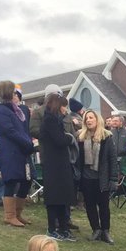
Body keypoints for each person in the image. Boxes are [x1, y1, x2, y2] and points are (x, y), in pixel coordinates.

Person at [0, 80, 36, 228]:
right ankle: (10, 215)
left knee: (27, 179)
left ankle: (18, 213)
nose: (16, 94)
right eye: (13, 91)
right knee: (11, 180)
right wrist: (27, 142)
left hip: (21, 148)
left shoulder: (14, 109)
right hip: (10, 149)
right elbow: (10, 131)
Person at [77, 109, 120, 243]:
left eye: (91, 118)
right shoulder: (81, 137)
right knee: (89, 205)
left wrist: (113, 178)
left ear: (97, 120)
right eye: (86, 118)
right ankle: (96, 229)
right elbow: (78, 159)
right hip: (86, 177)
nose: (88, 120)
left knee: (104, 206)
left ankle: (105, 231)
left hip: (102, 177)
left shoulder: (107, 137)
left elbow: (112, 159)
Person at [39, 93, 77, 241]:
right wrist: (69, 137)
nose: (65, 109)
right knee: (55, 197)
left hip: (60, 164)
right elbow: (60, 140)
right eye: (64, 106)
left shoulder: (55, 119)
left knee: (63, 197)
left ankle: (63, 228)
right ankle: (52, 229)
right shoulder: (50, 120)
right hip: (53, 165)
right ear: (57, 105)